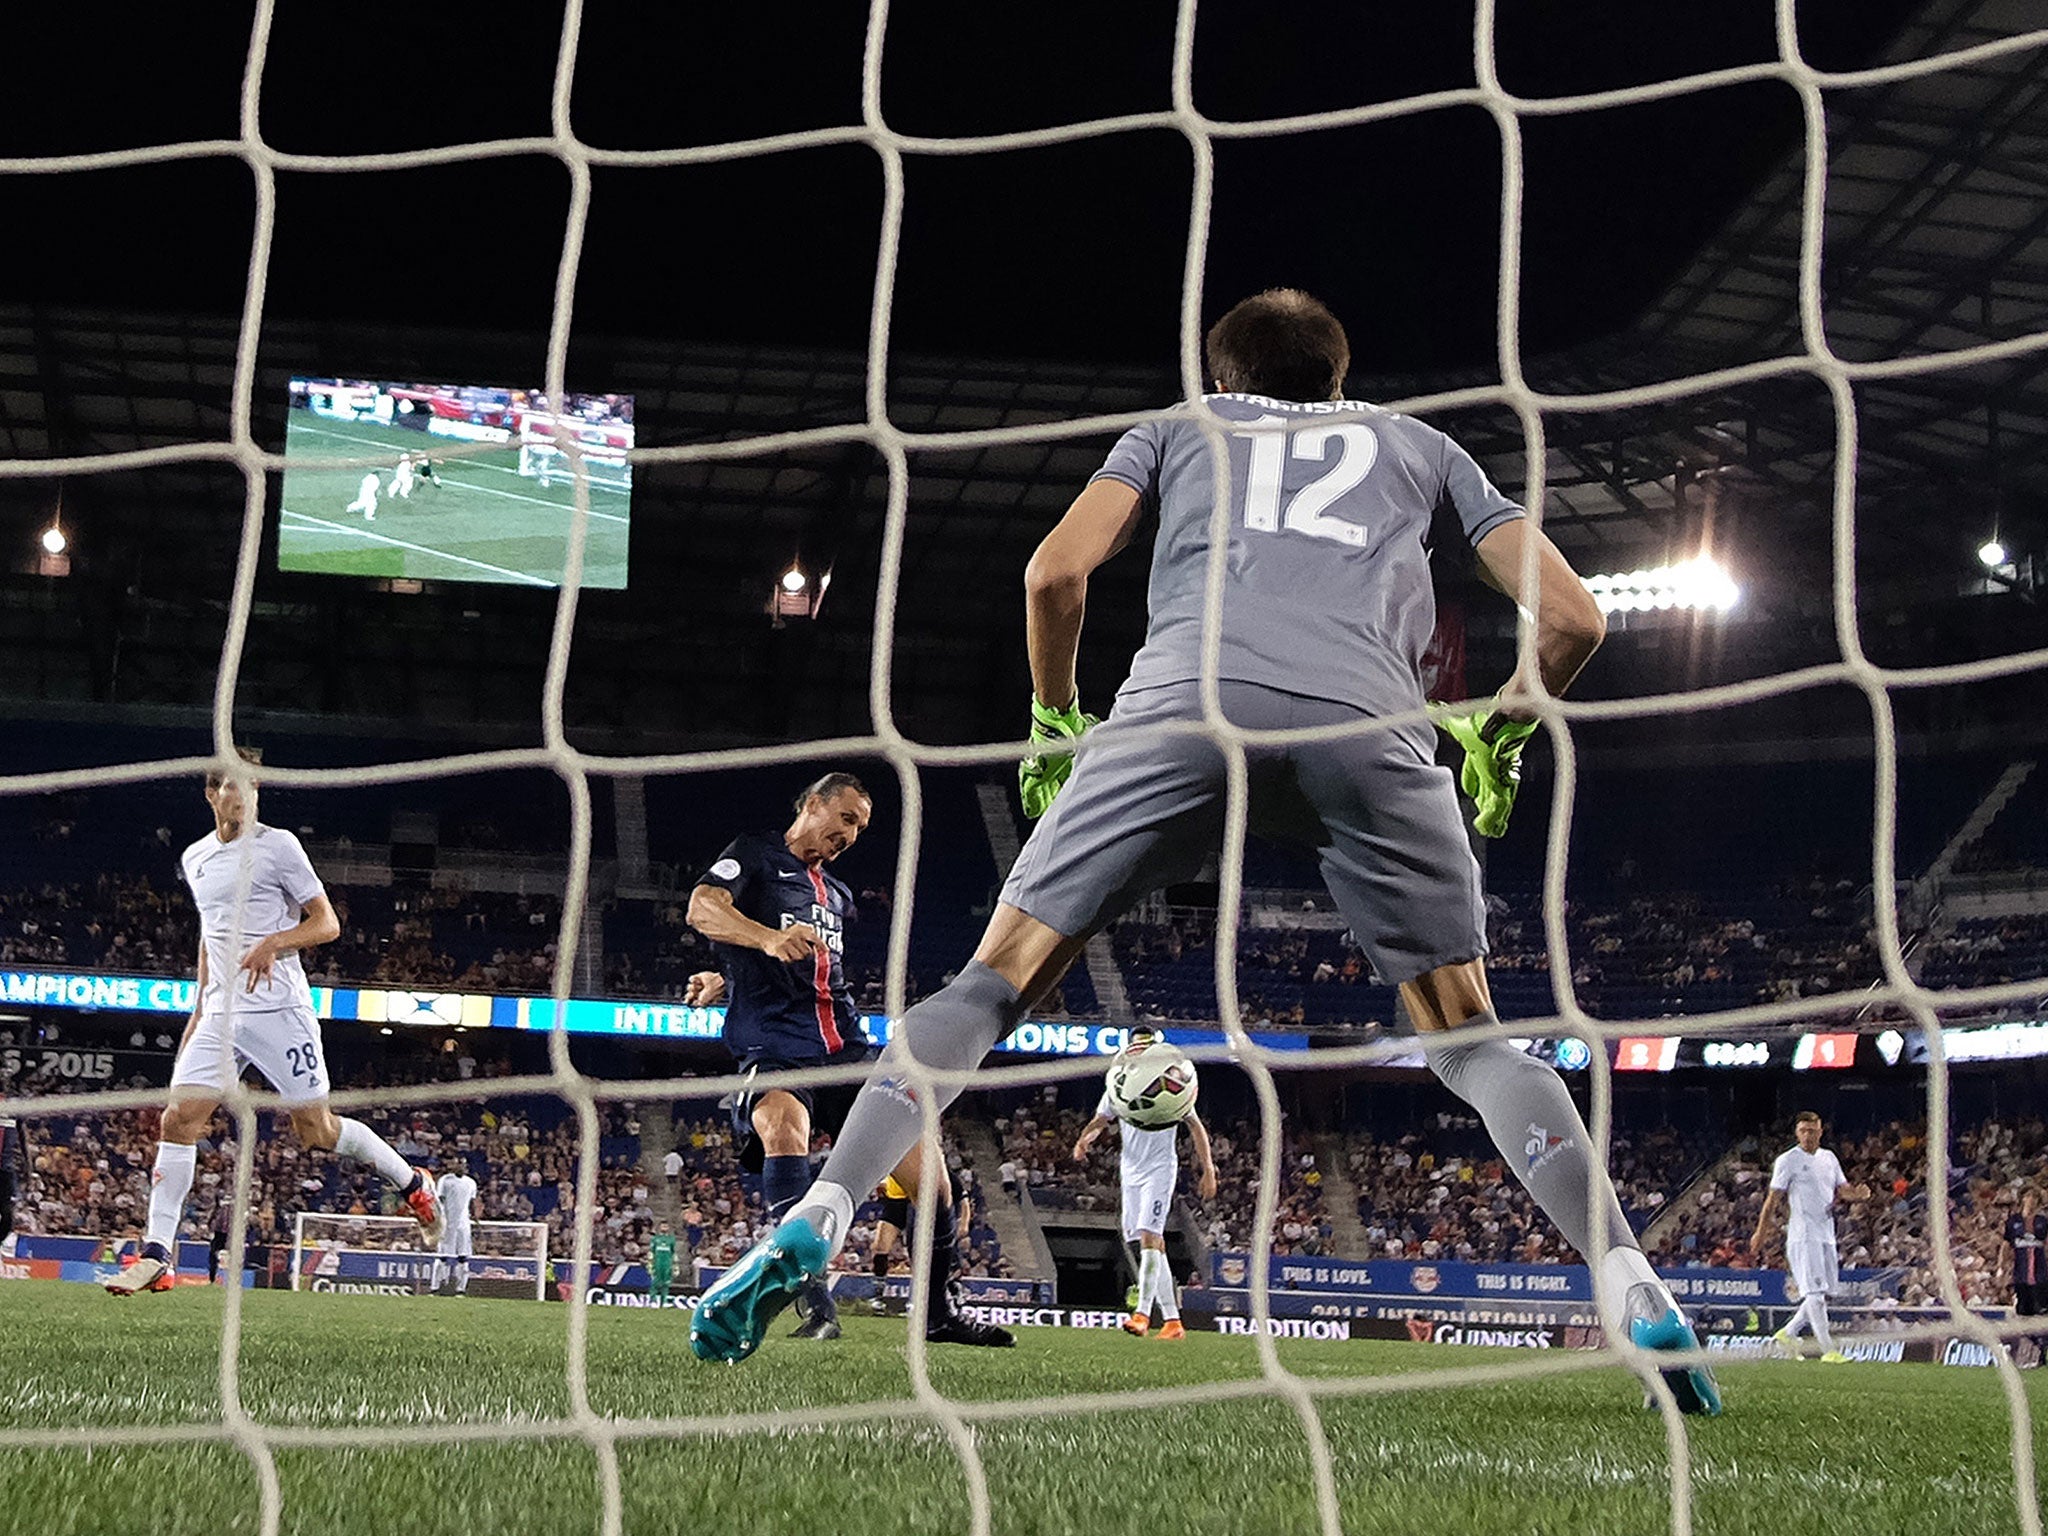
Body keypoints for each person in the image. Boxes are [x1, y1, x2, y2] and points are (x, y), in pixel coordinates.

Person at [693, 290, 1720, 1413]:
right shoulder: (1423, 445)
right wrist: (1502, 726)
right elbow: (1575, 620)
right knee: (1472, 1042)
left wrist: (1052, 717)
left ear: (1222, 375)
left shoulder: (1176, 428)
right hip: (1370, 730)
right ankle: (1627, 1280)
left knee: (984, 990)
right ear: (1339, 375)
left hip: (1179, 713)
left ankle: (819, 1217)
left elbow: (1050, 577)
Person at [682, 775, 1009, 1353]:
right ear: (813, 803)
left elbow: (803, 971)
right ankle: (814, 1302)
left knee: (929, 1172)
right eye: (848, 818)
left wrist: (726, 975)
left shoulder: (837, 894)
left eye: (860, 826)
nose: (852, 834)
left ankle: (937, 1313)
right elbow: (703, 908)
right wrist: (762, 941)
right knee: (784, 1126)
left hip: (848, 1050)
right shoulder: (755, 854)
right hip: (776, 1049)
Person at [105, 752, 442, 1296]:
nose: (241, 796)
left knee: (317, 1132)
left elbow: (327, 922)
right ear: (213, 795)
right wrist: (199, 1010)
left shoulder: (279, 846)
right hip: (220, 1012)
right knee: (178, 1121)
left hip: (279, 1010)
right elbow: (210, 937)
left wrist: (275, 942)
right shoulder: (196, 858)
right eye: (230, 788)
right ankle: (157, 1254)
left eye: (249, 786)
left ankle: (411, 1181)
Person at [1072, 1030, 1218, 1339]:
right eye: (1135, 1044)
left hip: (1159, 1169)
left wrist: (1209, 1169)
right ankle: (1173, 1322)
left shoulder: (1170, 1085)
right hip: (1131, 1170)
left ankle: (1142, 1315)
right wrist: (1084, 1139)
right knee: (1149, 1243)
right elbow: (1101, 1119)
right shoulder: (1121, 1084)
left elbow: (1196, 1127)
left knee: (1152, 1236)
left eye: (1144, 1044)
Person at [1751, 1111, 1870, 1362]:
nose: (1807, 1135)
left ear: (1820, 1131)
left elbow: (1842, 1190)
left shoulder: (1829, 1158)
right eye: (1803, 1130)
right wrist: (1760, 1232)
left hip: (1827, 1233)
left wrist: (1857, 1195)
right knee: (1814, 1294)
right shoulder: (1788, 1160)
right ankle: (1828, 1351)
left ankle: (1788, 1332)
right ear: (1797, 1132)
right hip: (1804, 1236)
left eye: (1812, 1130)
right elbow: (1773, 1199)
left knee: (1822, 1291)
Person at [2005, 1185, 2045, 1358]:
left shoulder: (2042, 1221)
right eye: (2028, 1196)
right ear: (2022, 1199)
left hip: (2040, 1274)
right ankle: (2037, 1344)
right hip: (2021, 1274)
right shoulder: (2013, 1221)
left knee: (2041, 1310)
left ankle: (2042, 1347)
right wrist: (2002, 1267)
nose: (2031, 1200)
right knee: (2023, 1313)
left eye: (2034, 1197)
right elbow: (2006, 1244)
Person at [432, 1156, 479, 1296]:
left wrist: (475, 1216)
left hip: (464, 1224)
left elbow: (472, 1201)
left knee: (463, 1257)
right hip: (447, 1223)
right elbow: (439, 1200)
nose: (462, 1167)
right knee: (442, 1257)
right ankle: (435, 1288)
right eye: (459, 1164)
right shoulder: (445, 1180)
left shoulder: (471, 1182)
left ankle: (461, 1289)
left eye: (464, 1165)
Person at [649, 1220, 679, 1308]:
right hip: (657, 1262)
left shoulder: (671, 1239)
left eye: (666, 1226)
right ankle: (653, 1300)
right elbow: (651, 1252)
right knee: (655, 1281)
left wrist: (675, 1266)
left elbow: (673, 1253)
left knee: (666, 1282)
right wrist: (650, 1264)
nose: (664, 1228)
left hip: (667, 1263)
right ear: (659, 1228)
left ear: (669, 1228)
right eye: (663, 1226)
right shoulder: (655, 1239)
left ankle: (664, 1301)